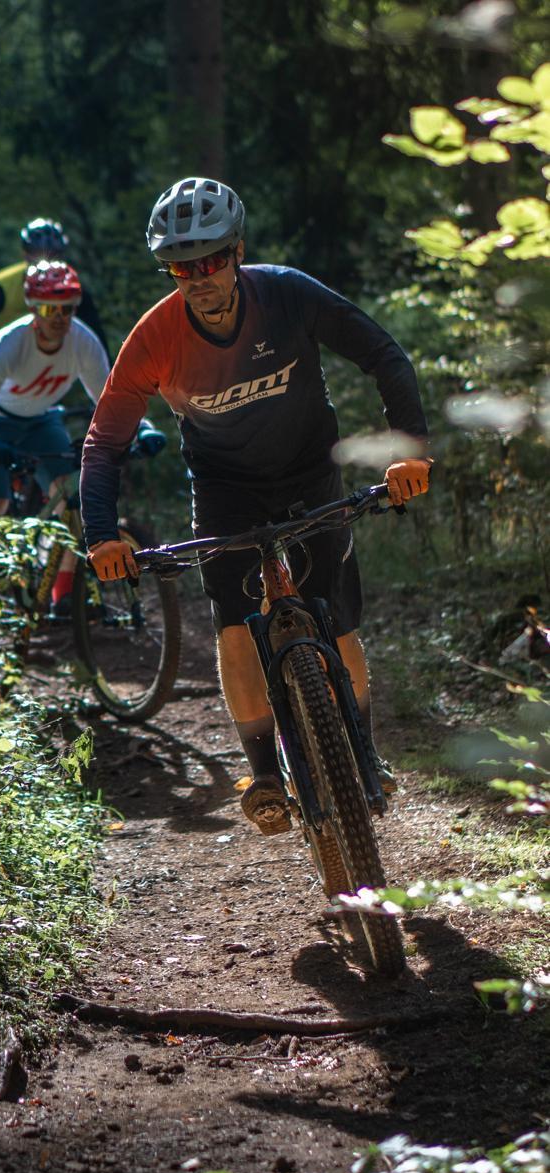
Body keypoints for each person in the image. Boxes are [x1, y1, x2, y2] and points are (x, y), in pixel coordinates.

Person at [80, 176, 432, 835]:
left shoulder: (288, 295)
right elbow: (104, 441)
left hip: (309, 471)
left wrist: (409, 452)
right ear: (169, 269)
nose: (200, 277)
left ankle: (362, 748)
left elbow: (382, 355)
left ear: (237, 251)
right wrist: (102, 535)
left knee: (337, 618)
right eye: (183, 266)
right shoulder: (155, 338)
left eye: (212, 259)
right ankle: (263, 773)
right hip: (223, 489)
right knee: (237, 622)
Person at [0, 260, 163, 615]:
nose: (59, 318)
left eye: (67, 309)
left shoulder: (82, 341)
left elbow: (112, 398)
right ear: (33, 309)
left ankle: (63, 594)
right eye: (50, 308)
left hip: (41, 421)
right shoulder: (11, 342)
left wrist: (143, 428)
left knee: (72, 498)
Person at [0, 218, 108, 369]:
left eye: (53, 256)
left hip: (53, 365)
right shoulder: (0, 286)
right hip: (4, 365)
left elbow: (95, 334)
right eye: (37, 254)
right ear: (24, 254)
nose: (44, 262)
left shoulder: (72, 288)